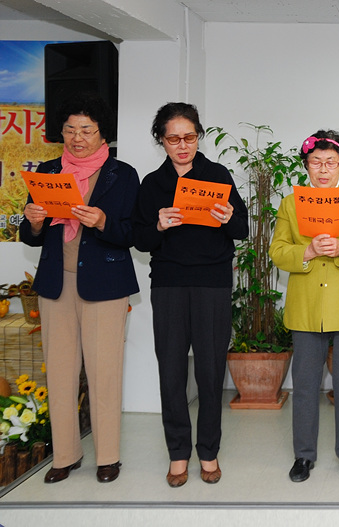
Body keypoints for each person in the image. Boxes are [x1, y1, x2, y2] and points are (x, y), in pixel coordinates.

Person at [20, 93, 139, 484]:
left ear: (102, 133)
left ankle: (108, 457)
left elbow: (133, 234)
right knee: (59, 372)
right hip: (56, 284)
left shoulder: (122, 174)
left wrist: (103, 221)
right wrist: (34, 221)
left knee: (104, 372)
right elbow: (31, 236)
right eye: (70, 130)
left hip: (105, 283)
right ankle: (65, 455)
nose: (77, 138)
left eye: (86, 130)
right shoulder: (48, 171)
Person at [132, 102, 249, 487]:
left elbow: (242, 229)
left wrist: (228, 217)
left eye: (190, 137)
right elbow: (140, 239)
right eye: (174, 139)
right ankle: (178, 453)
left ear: (199, 136)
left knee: (211, 370)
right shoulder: (152, 184)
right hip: (169, 283)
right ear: (161, 140)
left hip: (212, 282)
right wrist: (158, 225)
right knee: (171, 371)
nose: (183, 146)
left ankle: (209, 451)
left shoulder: (216, 174)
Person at [268, 130, 339, 483]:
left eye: (330, 162)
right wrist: (305, 251)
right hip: (307, 309)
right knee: (304, 385)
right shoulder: (291, 204)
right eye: (315, 162)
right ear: (306, 165)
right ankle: (303, 455)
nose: (323, 169)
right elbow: (277, 251)